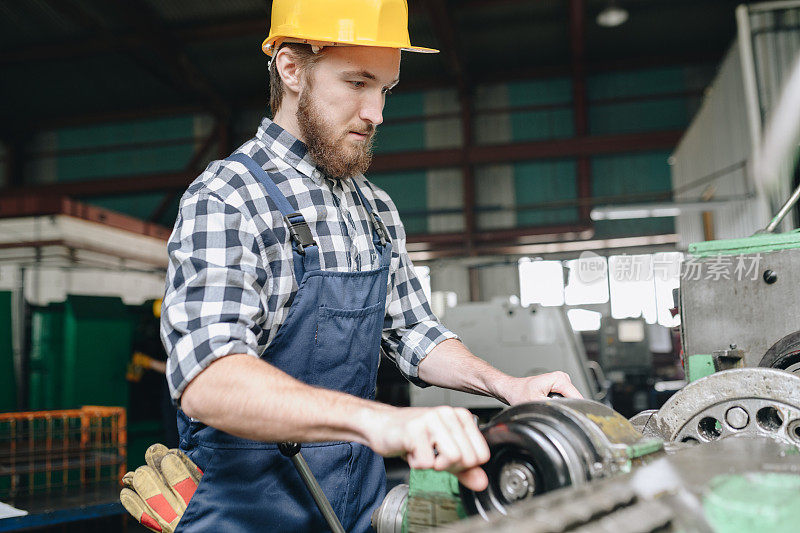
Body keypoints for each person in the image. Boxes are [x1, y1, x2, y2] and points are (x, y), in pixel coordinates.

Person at [158, 0, 582, 531]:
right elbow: (208, 376)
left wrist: (507, 387)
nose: (377, 113)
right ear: (291, 69)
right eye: (358, 83)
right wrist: (382, 423)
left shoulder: (375, 209)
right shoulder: (228, 196)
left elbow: (414, 333)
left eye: (385, 88)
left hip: (356, 509)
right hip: (247, 515)